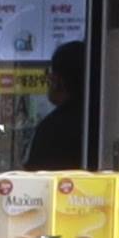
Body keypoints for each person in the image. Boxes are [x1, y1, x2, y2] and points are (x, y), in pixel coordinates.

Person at [26, 40, 89, 172]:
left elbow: (35, 177)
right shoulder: (103, 120)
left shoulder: (51, 129)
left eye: (51, 74)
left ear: (58, 81)